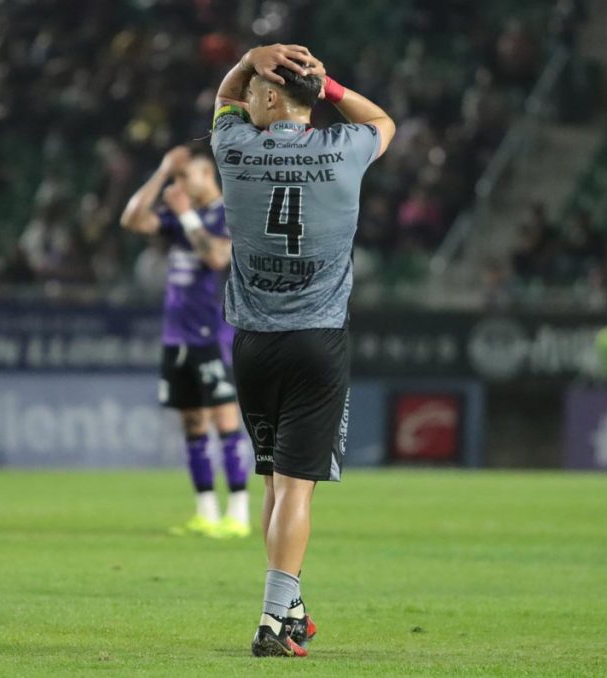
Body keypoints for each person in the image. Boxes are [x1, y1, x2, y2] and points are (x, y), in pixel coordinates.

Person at [211, 44, 395, 656]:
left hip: (254, 344)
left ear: (268, 97)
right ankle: (271, 620)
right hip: (318, 341)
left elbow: (223, 100)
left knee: (272, 481)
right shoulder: (344, 150)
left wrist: (249, 57)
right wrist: (330, 85)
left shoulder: (234, 150)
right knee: (295, 487)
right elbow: (384, 122)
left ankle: (289, 608)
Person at [121, 147, 251, 539]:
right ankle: (206, 512)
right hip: (176, 337)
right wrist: (161, 171)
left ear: (207, 174)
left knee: (225, 421)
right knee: (193, 423)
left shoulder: (230, 213)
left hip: (215, 336)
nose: (178, 185)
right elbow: (131, 219)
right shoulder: (181, 217)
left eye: (184, 177)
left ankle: (239, 514)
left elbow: (216, 258)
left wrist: (184, 213)